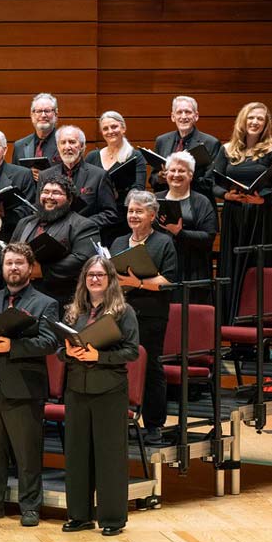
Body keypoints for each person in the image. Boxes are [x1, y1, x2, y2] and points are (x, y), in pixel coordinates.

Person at [0, 243, 61, 526]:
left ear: (30, 268)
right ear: (2, 267)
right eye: (9, 263)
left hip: (23, 388)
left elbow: (50, 342)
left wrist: (12, 346)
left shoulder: (45, 303)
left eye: (19, 263)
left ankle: (30, 506)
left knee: (27, 452)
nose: (14, 268)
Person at [60, 256, 142, 537]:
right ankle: (79, 515)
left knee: (109, 455)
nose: (95, 279)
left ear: (110, 279)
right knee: (77, 453)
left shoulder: (123, 311)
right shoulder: (74, 312)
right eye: (90, 275)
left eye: (100, 275)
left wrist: (100, 356)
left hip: (109, 389)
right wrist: (67, 352)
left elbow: (132, 351)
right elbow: (61, 347)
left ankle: (112, 518)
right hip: (77, 388)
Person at [113, 190, 181, 446]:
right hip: (121, 312)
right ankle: (123, 419)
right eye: (130, 210)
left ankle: (154, 425)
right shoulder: (119, 242)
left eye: (139, 211)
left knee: (151, 368)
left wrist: (136, 282)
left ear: (152, 215)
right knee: (120, 366)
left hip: (151, 313)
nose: (133, 215)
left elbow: (167, 281)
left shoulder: (163, 243)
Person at [218, 101, 272, 320]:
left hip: (261, 217)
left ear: (265, 124)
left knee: (257, 269)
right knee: (233, 268)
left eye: (260, 119)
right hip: (234, 215)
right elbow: (213, 182)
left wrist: (262, 199)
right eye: (251, 117)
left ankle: (261, 327)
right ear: (243, 120)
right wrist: (225, 195)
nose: (255, 122)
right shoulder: (227, 150)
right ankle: (231, 326)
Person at [12, 176, 100, 304]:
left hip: (61, 298)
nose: (49, 197)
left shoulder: (83, 225)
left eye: (56, 193)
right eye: (45, 192)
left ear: (69, 200)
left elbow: (83, 259)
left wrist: (43, 270)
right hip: (22, 296)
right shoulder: (25, 222)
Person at [158, 151, 218, 302]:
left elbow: (209, 237)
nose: (176, 174)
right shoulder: (154, 199)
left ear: (191, 175)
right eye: (172, 170)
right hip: (161, 269)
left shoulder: (202, 202)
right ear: (166, 174)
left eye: (182, 171)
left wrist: (180, 233)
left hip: (192, 270)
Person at [48, 125, 118, 237]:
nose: (67, 147)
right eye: (63, 142)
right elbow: (40, 209)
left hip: (85, 236)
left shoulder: (99, 176)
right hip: (53, 238)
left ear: (81, 146)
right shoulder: (46, 175)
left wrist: (80, 225)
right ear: (58, 146)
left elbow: (110, 214)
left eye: (72, 142)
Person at [156, 95, 226, 200]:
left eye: (188, 112)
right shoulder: (162, 141)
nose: (183, 117)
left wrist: (181, 178)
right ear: (173, 117)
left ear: (196, 116)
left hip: (198, 203)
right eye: (179, 112)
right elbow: (153, 179)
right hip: (168, 202)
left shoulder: (211, 143)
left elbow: (211, 182)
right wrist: (160, 178)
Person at [88, 110, 146, 200]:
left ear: (123, 128)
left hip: (123, 210)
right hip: (96, 211)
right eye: (105, 129)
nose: (110, 131)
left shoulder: (135, 156)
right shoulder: (92, 157)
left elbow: (139, 190)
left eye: (114, 127)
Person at [13, 93, 59, 165]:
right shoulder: (19, 146)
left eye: (47, 111)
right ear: (32, 115)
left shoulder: (64, 144)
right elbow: (15, 175)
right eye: (39, 111)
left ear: (56, 114)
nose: (43, 115)